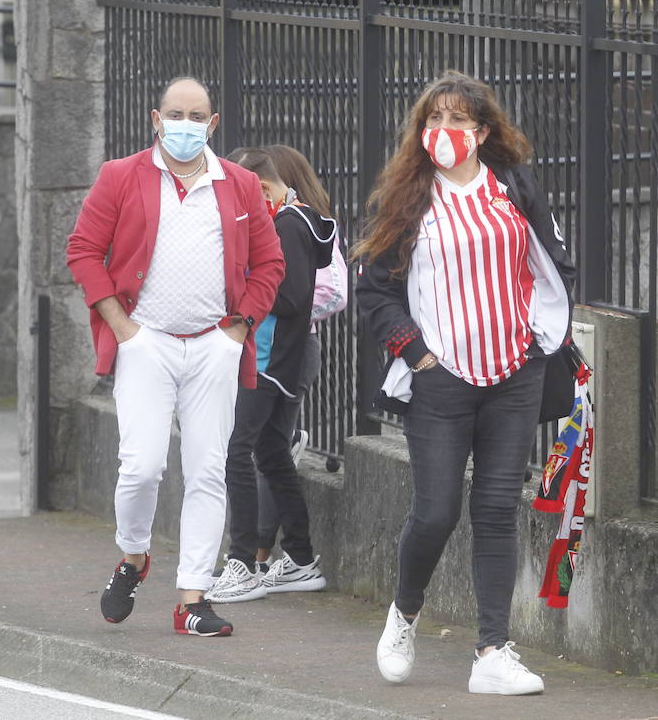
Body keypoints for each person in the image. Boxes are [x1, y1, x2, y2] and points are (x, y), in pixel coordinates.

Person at [354, 71, 575, 696]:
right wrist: (415, 352)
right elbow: (373, 290)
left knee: (498, 510)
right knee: (436, 511)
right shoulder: (405, 198)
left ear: (481, 132)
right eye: (433, 120)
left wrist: (539, 338)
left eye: (457, 120)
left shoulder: (514, 186)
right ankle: (404, 613)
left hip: (515, 374)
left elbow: (554, 260)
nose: (444, 131)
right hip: (441, 380)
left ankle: (492, 651)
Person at [65, 77, 284, 638]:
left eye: (197, 116)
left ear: (213, 124)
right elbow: (83, 251)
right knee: (141, 467)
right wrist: (123, 326)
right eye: (174, 114)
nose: (185, 124)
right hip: (147, 343)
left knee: (208, 470)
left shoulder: (238, 184)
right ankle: (134, 558)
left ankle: (193, 599)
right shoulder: (121, 176)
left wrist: (238, 331)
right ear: (155, 119)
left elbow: (269, 263)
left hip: (214, 344)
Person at [207, 147, 336, 604]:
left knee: (236, 450)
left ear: (258, 187)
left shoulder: (288, 225)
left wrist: (239, 281)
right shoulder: (291, 222)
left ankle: (241, 562)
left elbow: (290, 296)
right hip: (274, 358)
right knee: (272, 453)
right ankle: (300, 559)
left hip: (268, 360)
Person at [252, 143, 347, 572]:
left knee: (266, 452)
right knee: (261, 451)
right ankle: (268, 553)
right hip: (262, 349)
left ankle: (260, 554)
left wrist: (278, 305)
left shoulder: (302, 223)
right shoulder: (274, 223)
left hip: (288, 350)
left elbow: (333, 291)